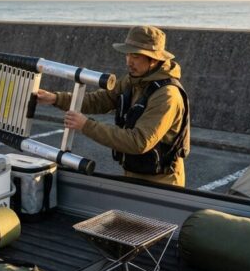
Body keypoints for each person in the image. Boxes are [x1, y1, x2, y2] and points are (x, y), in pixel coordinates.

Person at [37, 25, 190, 186]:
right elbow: (99, 100)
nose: (129, 61)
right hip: (133, 174)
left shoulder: (167, 95)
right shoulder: (133, 80)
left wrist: (86, 125)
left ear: (154, 59)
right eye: (127, 54)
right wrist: (55, 98)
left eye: (136, 56)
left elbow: (138, 142)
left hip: (162, 184)